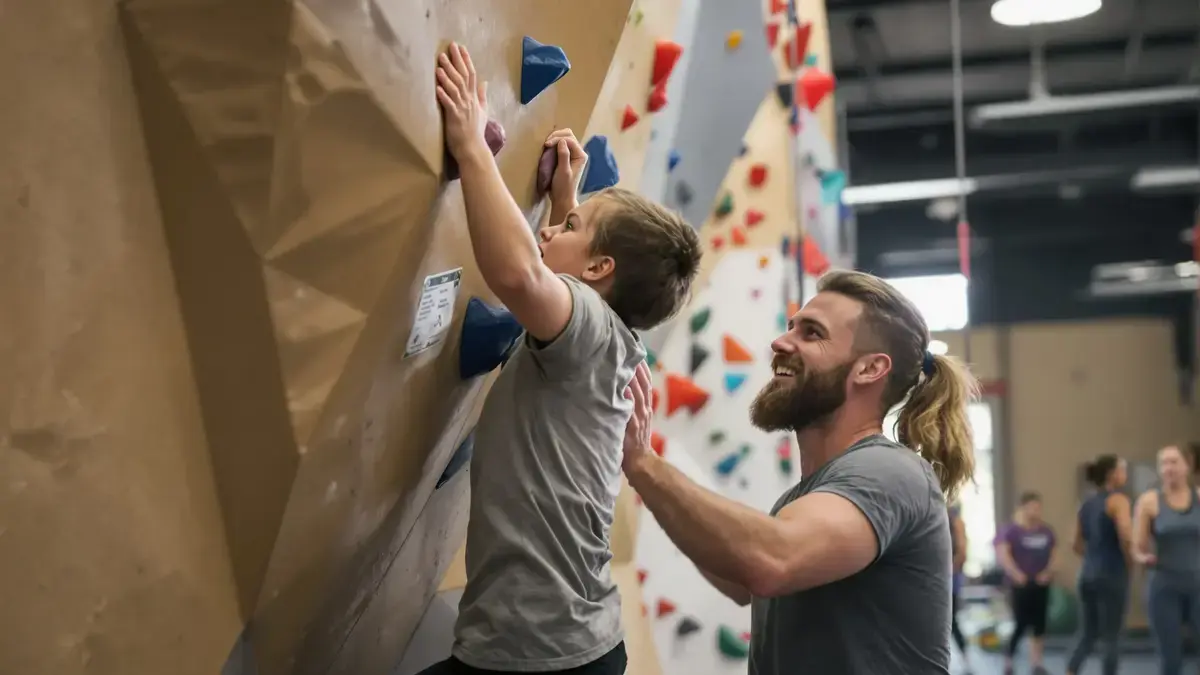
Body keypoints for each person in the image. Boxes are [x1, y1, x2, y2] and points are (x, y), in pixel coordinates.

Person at [428, 43, 702, 674]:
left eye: (570, 228)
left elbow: (522, 275)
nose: (551, 231)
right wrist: (566, 201)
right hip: (560, 647)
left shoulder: (592, 335)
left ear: (600, 269)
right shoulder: (604, 341)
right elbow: (563, 283)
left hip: (540, 654)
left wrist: (471, 144)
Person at [620, 270, 979, 674]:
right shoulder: (805, 497)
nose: (780, 341)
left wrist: (643, 463)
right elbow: (738, 577)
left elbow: (770, 560)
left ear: (869, 369)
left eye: (811, 333)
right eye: (791, 327)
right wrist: (640, 467)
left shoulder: (889, 471)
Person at [1133, 444, 1200, 675]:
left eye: (1174, 462)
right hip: (1164, 587)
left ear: (1187, 466)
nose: (1168, 468)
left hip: (1197, 584)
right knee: (1171, 659)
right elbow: (1137, 547)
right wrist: (1143, 557)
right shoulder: (1149, 501)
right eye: (1163, 463)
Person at [1066, 454, 1132, 675]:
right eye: (1123, 469)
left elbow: (1074, 543)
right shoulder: (1119, 500)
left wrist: (1093, 557)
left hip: (1087, 574)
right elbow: (1126, 536)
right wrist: (1130, 563)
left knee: (1087, 633)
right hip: (1112, 573)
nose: (1125, 474)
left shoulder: (1085, 503)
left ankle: (1070, 671)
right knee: (1112, 636)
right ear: (1113, 474)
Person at [996, 492, 1057, 675]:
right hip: (1019, 585)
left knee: (1039, 625)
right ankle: (1009, 660)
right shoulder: (1011, 531)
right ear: (1023, 508)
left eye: (1038, 508)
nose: (1035, 511)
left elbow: (1055, 556)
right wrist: (1016, 574)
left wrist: (1048, 573)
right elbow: (1004, 555)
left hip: (1040, 583)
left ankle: (1036, 663)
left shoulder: (1046, 532)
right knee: (1020, 623)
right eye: (1032, 507)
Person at [949, 502, 973, 674]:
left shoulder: (955, 521)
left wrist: (947, 571)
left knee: (951, 622)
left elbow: (962, 553)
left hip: (948, 581)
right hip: (935, 580)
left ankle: (966, 660)